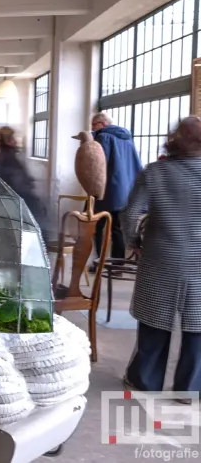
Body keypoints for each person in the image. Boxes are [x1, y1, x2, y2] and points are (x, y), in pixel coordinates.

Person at [121, 116, 201, 396]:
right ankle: (190, 388)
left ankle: (146, 380)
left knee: (156, 318)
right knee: (198, 324)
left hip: (161, 255)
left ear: (175, 139)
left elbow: (130, 213)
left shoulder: (154, 172)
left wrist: (133, 241)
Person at [90, 113, 142, 262]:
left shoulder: (104, 137)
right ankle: (118, 264)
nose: (93, 128)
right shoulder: (127, 138)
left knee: (96, 227)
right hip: (126, 191)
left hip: (107, 190)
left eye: (94, 125)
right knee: (117, 229)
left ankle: (99, 263)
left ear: (103, 123)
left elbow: (99, 164)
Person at [0, 127, 51, 240]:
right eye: (13, 138)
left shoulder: (5, 156)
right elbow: (17, 184)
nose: (16, 141)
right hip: (22, 201)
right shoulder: (8, 158)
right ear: (8, 141)